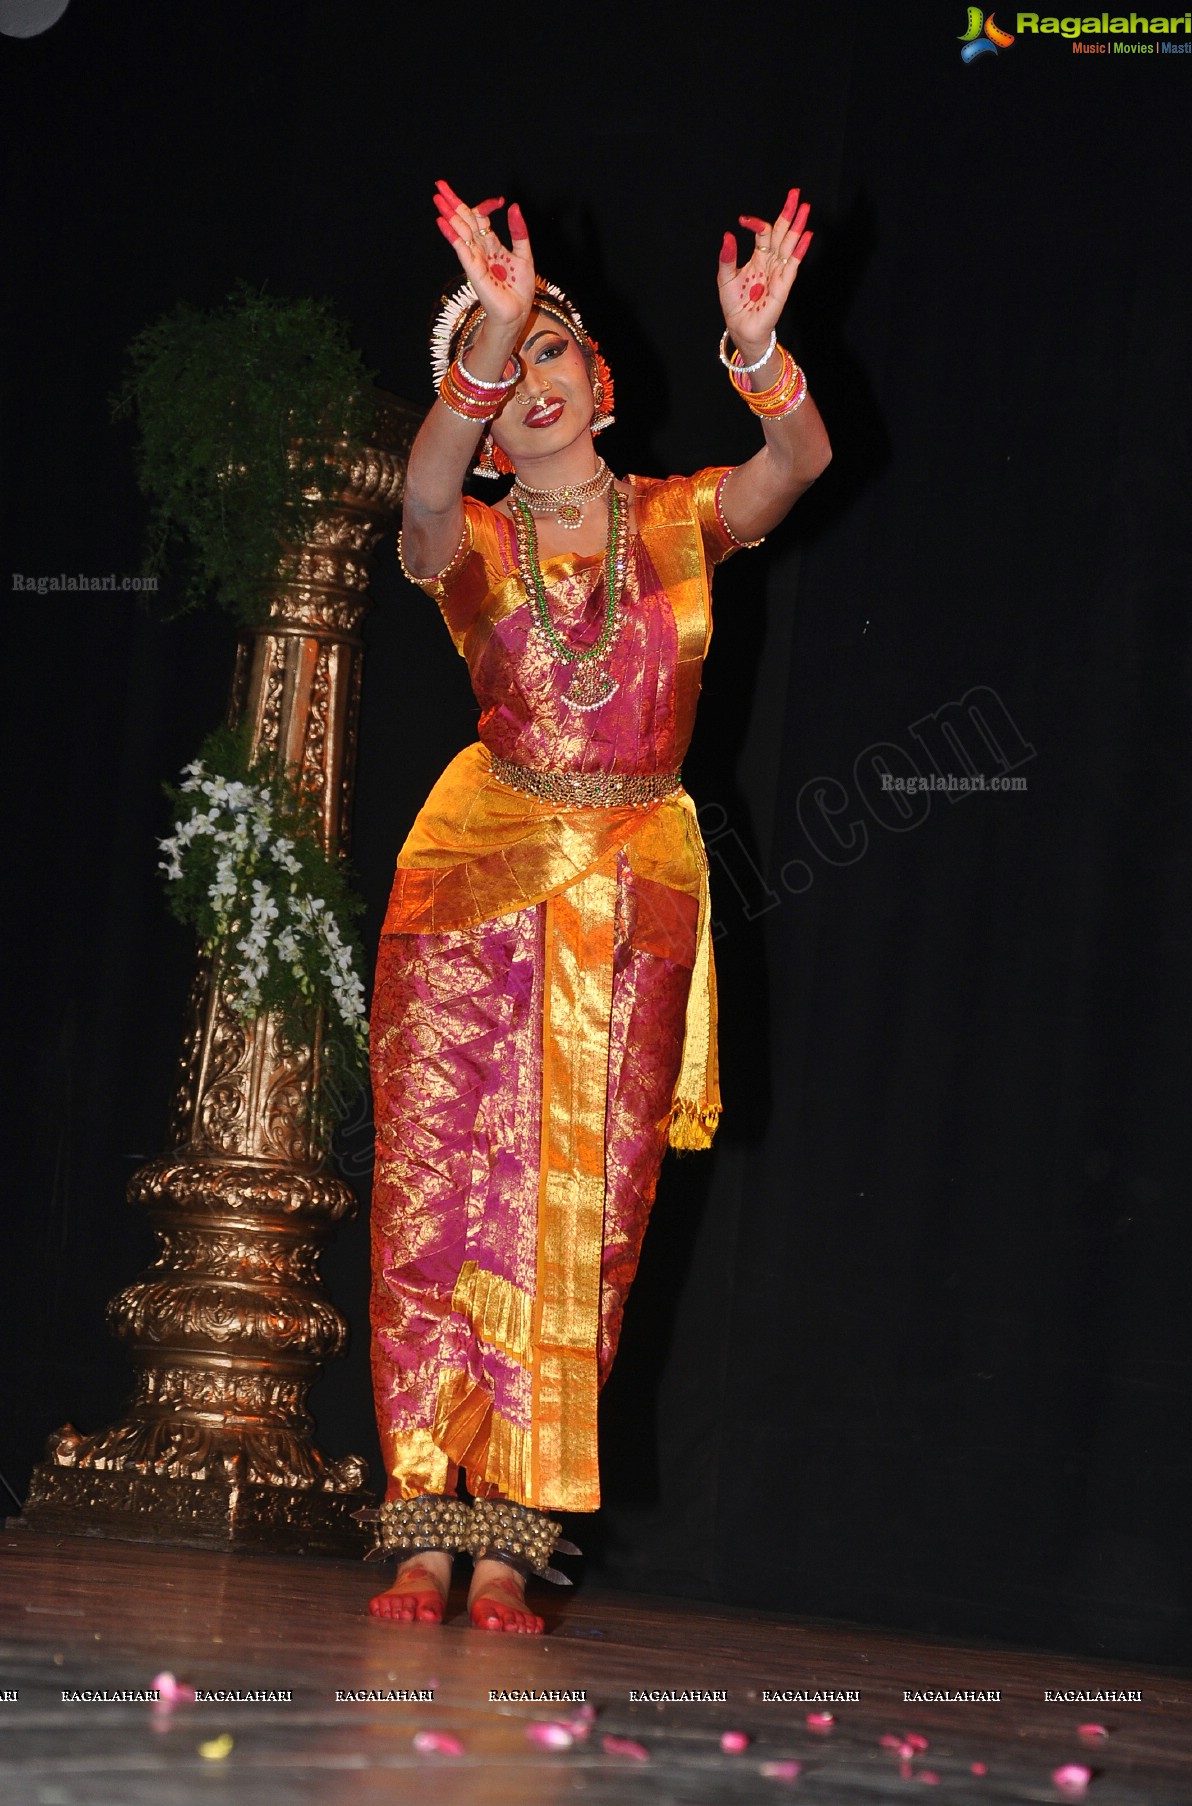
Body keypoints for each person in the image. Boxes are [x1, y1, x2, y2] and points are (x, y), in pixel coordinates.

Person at [364, 178, 831, 1634]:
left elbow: (799, 458)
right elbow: (424, 494)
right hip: (472, 890)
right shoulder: (478, 542)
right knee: (444, 1200)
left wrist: (760, 354)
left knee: (586, 1218)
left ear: (604, 380)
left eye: (555, 349)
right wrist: (486, 333)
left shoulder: (680, 525)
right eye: (514, 371)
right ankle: (424, 1530)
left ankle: (513, 1540)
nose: (537, 383)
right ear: (492, 408)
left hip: (633, 900)